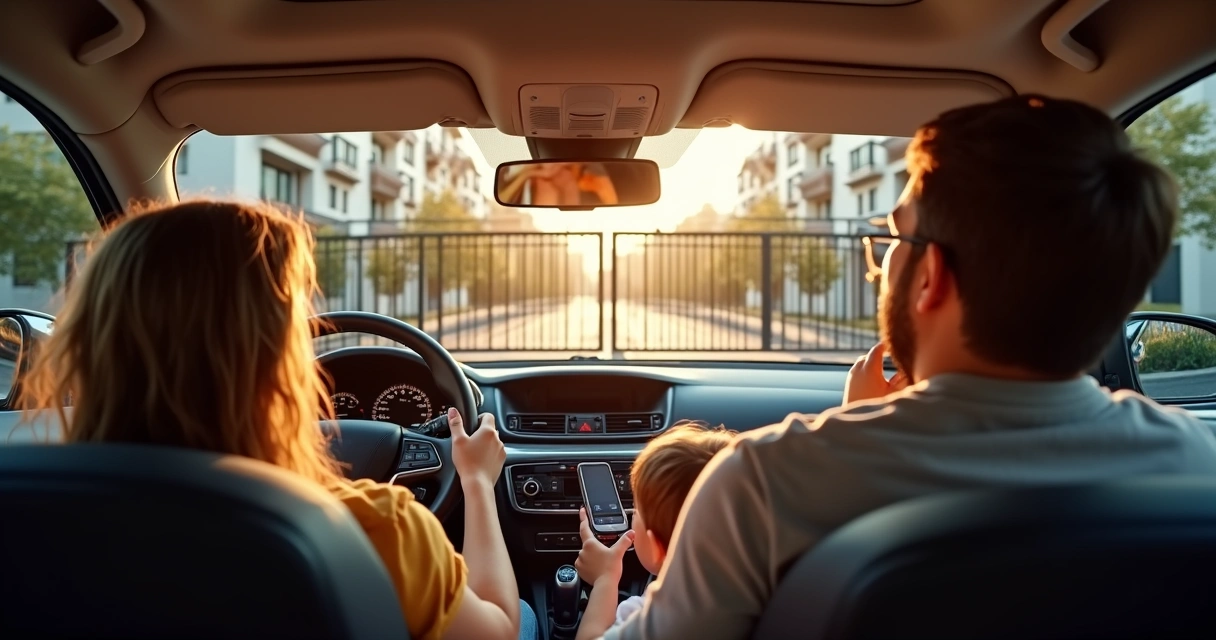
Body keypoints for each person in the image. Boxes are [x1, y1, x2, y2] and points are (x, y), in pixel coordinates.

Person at [595, 95, 1216, 640]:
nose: (883, 262)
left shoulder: (762, 485)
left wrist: (854, 429)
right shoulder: (1199, 465)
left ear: (932, 275)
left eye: (895, 239)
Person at [19, 200, 538, 640]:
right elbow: (499, 625)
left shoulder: (28, 518)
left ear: (89, 349)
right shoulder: (375, 529)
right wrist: (474, 481)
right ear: (274, 368)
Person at [572, 422, 736, 640]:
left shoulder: (643, 617)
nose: (632, 515)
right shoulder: (768, 595)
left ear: (657, 547)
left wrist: (605, 579)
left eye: (636, 512)